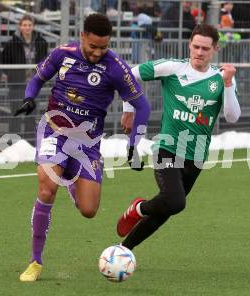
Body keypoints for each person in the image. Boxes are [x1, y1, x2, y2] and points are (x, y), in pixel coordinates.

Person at [15, 13, 150, 282]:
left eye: (104, 47)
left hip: (87, 144)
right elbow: (37, 79)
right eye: (93, 46)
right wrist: (30, 98)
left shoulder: (115, 68)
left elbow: (143, 106)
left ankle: (69, 180)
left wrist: (134, 144)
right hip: (54, 129)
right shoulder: (61, 54)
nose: (98, 52)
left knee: (89, 210)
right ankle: (35, 261)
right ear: (82, 37)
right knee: (46, 186)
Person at [117, 24, 241, 252]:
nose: (199, 52)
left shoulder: (221, 77)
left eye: (205, 48)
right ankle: (139, 209)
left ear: (215, 49)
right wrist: (129, 109)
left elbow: (232, 117)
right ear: (189, 45)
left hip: (197, 154)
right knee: (175, 201)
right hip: (168, 147)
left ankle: (123, 250)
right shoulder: (172, 67)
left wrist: (228, 83)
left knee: (166, 209)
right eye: (196, 46)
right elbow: (129, 75)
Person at [2, 15, 48, 137]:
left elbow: (45, 61)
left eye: (29, 25)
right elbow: (4, 62)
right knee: (16, 113)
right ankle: (13, 142)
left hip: (33, 84)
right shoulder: (11, 43)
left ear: (33, 27)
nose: (27, 28)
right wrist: (12, 75)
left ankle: (29, 142)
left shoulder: (41, 42)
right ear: (20, 27)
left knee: (31, 114)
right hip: (16, 84)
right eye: (24, 25)